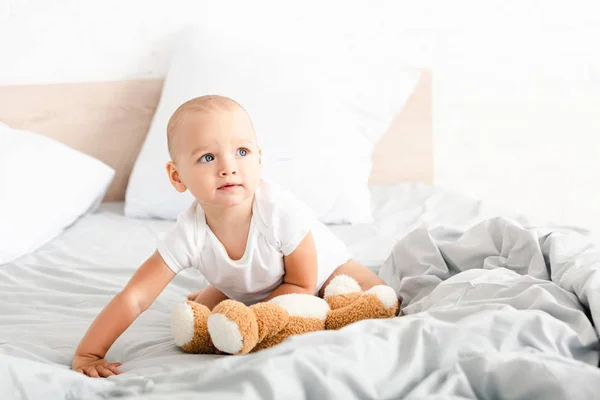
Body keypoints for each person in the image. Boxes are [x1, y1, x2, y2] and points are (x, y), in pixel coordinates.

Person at [72, 95, 388, 378]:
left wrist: (251, 316)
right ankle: (226, 287)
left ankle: (234, 292)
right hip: (254, 286)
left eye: (241, 151)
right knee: (208, 316)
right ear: (177, 176)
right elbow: (135, 296)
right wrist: (89, 353)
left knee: (377, 297)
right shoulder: (188, 233)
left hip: (319, 273)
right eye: (208, 157)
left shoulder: (281, 213)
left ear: (259, 158)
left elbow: (301, 285)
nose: (228, 167)